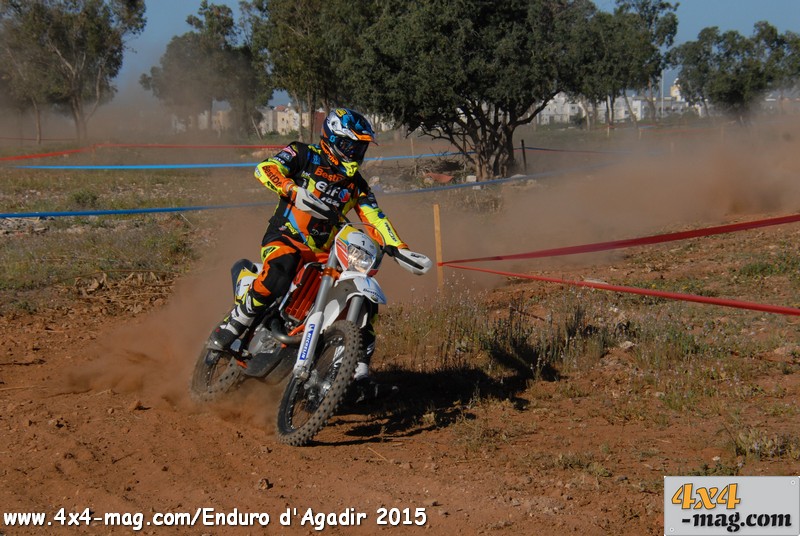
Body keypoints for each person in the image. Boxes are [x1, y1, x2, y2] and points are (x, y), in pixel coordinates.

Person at [207, 107, 429, 401]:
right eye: (352, 145)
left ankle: (356, 370)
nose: (356, 152)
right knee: (280, 270)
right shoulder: (303, 154)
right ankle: (234, 324)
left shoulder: (356, 185)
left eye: (361, 147)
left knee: (363, 299)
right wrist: (292, 189)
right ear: (333, 139)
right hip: (286, 236)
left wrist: (400, 250)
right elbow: (264, 169)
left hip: (326, 254)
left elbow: (375, 218)